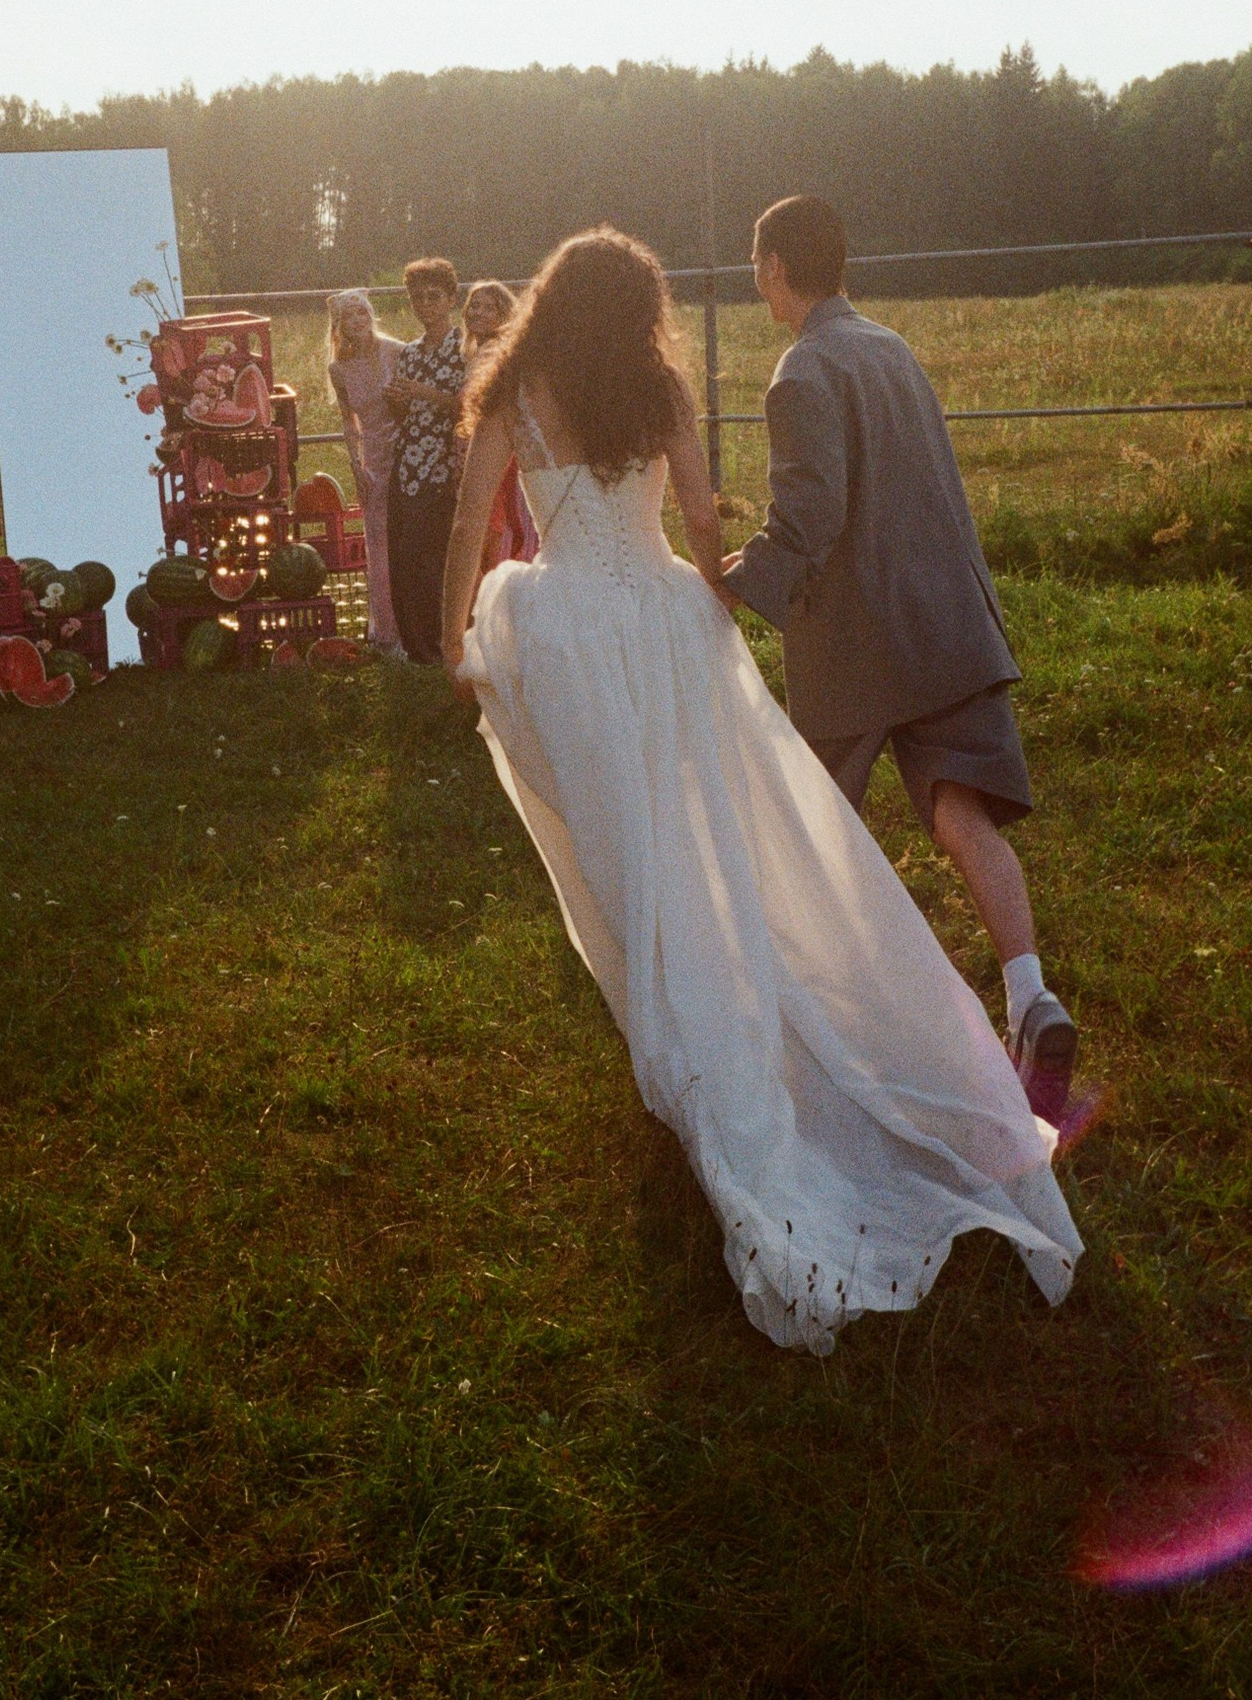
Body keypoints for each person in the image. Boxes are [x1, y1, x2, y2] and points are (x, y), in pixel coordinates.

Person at [442, 229, 1079, 1355]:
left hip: (567, 630)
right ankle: (717, 1025)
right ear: (639, 307)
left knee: (625, 850)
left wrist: (454, 637)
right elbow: (700, 520)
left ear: (550, 297)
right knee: (702, 836)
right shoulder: (658, 388)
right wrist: (716, 599)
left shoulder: (515, 389)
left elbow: (465, 522)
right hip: (661, 621)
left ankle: (686, 1050)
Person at [718, 195, 1078, 1122]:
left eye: (756, 265)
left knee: (814, 826)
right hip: (947, 624)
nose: (756, 281)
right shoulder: (893, 348)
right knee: (964, 813)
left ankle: (838, 1026)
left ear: (775, 267)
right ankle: (1031, 997)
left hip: (858, 645)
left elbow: (812, 510)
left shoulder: (802, 371)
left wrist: (737, 582)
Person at [382, 257, 467, 665]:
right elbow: (405, 414)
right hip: (408, 460)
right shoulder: (410, 353)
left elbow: (470, 405)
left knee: (432, 554)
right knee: (404, 554)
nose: (425, 305)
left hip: (444, 462)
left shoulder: (463, 348)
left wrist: (424, 393)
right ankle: (415, 647)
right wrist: (397, 401)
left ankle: (441, 645)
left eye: (433, 297)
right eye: (417, 298)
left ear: (451, 299)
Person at [327, 289, 406, 651]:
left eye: (362, 313)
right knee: (378, 544)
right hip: (372, 457)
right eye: (349, 316)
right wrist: (354, 465)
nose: (357, 321)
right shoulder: (338, 369)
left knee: (409, 538)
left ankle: (418, 628)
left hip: (405, 450)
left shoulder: (396, 351)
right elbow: (349, 421)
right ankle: (388, 633)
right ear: (338, 325)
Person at [461, 279, 538, 569]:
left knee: (499, 531)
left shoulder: (500, 355)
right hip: (471, 451)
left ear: (504, 315)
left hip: (500, 457)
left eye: (489, 308)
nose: (478, 313)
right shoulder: (473, 354)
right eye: (474, 306)